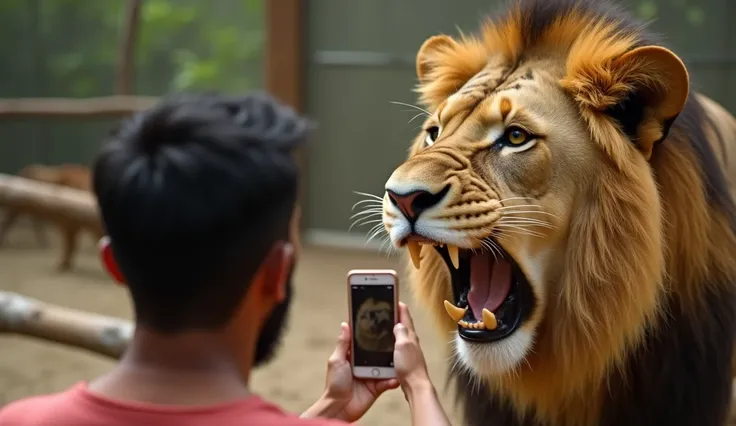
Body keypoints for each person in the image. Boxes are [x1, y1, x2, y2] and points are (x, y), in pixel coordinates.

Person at [0, 92, 452, 425]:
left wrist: (329, 409)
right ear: (277, 272)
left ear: (113, 263)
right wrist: (418, 386)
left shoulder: (19, 419)